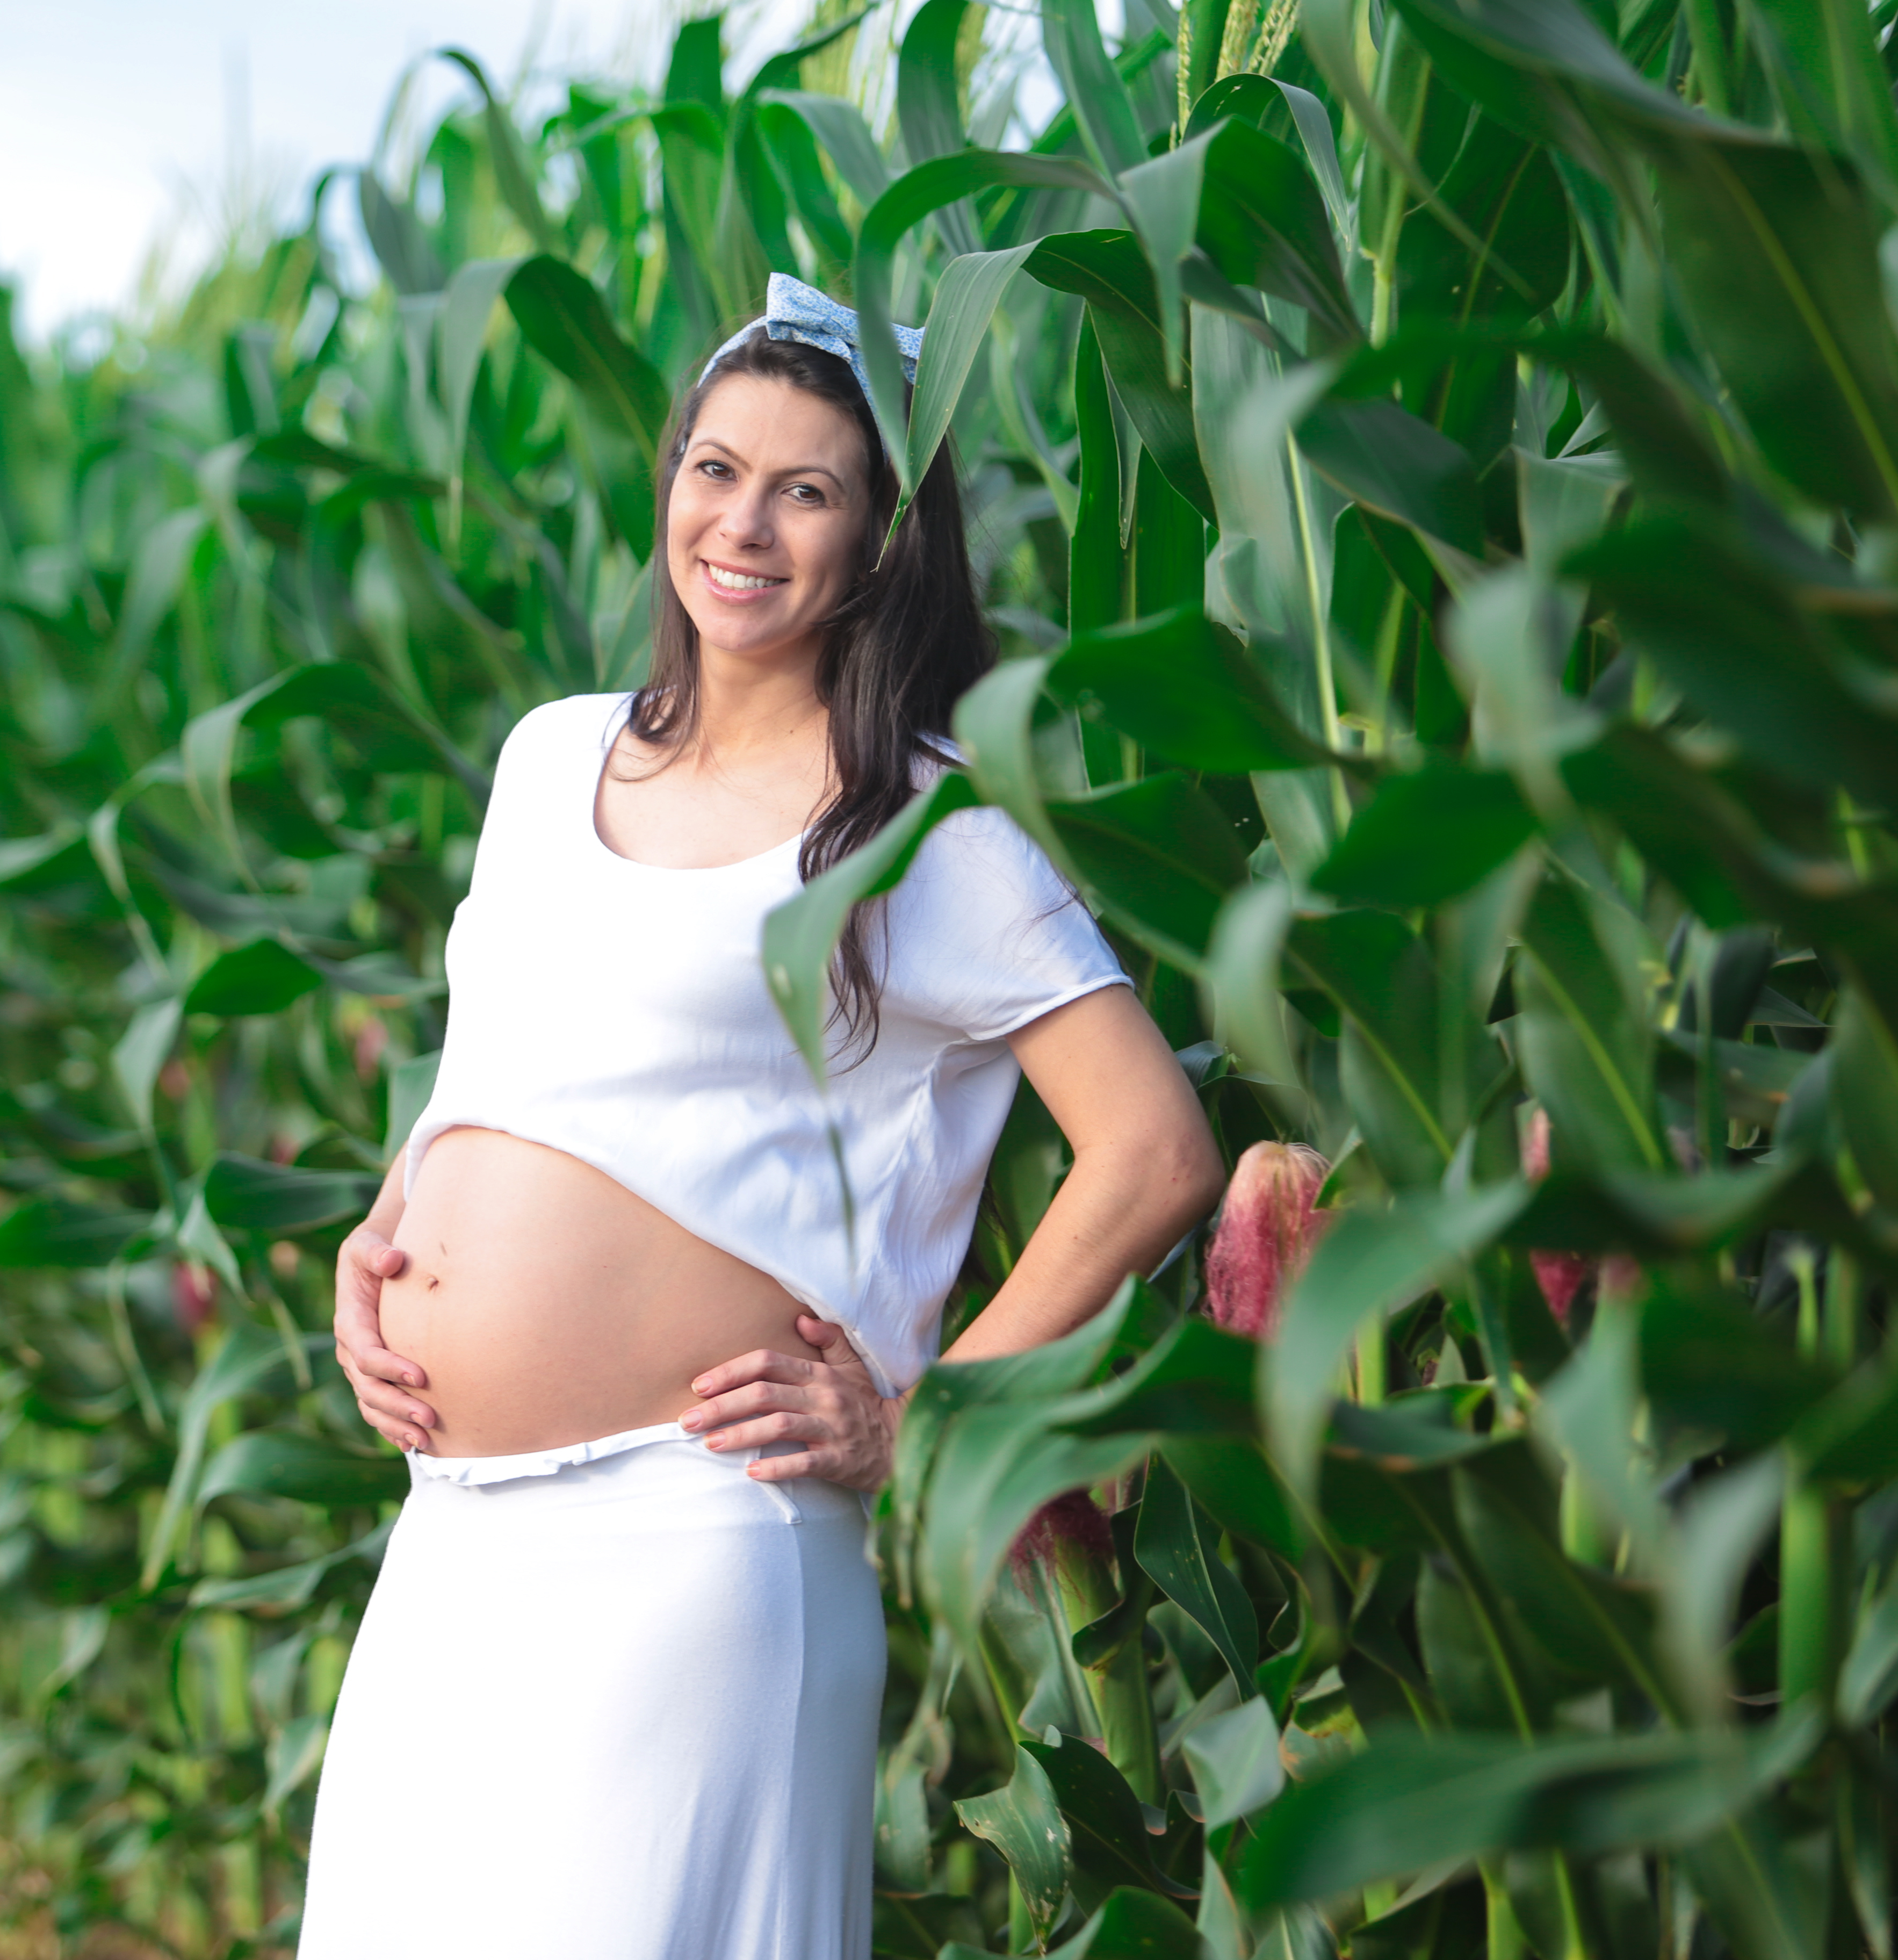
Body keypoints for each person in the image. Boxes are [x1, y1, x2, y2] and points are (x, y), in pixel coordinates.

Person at [294, 275, 1223, 1959]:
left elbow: (1156, 1150)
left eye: (809, 489)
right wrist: (389, 1226)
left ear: (879, 545)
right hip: (452, 1540)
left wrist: (929, 1419)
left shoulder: (922, 834)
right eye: (715, 470)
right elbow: (497, 1059)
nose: (745, 522)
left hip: (695, 1544)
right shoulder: (545, 757)